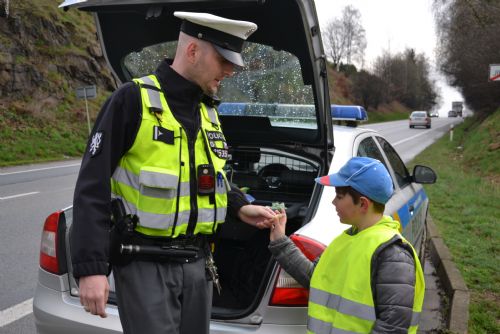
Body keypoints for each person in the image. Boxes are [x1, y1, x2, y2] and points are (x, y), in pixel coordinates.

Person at [71, 11, 276, 334]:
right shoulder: (132, 100)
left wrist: (239, 206)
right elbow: (91, 189)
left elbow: (212, 177)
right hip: (145, 264)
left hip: (198, 266)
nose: (231, 70)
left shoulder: (207, 111)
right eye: (224, 59)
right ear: (192, 51)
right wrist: (91, 269)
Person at [269, 157, 425, 333]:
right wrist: (280, 241)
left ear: (363, 203)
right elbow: (316, 278)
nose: (334, 202)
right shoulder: (348, 239)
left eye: (339, 196)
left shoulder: (392, 254)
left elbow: (393, 326)